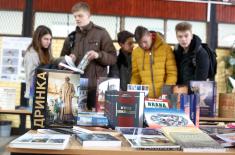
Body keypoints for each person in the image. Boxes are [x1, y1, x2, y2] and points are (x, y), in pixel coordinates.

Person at [60, 2, 117, 110]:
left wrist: (98, 55)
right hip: (76, 89)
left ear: (89, 16)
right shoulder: (71, 38)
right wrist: (68, 60)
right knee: (73, 123)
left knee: (95, 124)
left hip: (95, 90)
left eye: (80, 16)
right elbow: (61, 63)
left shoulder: (101, 33)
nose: (77, 19)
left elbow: (113, 58)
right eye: (75, 16)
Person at [131, 26, 177, 98]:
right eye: (140, 43)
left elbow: (172, 73)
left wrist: (166, 93)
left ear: (150, 35)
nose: (143, 45)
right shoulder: (135, 53)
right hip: (145, 98)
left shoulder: (166, 49)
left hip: (163, 97)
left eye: (145, 42)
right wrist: (133, 92)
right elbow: (136, 76)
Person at [24, 25, 53, 101]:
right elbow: (30, 76)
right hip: (34, 94)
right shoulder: (31, 54)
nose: (49, 42)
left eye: (50, 39)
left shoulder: (44, 52)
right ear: (38, 39)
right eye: (46, 39)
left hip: (42, 93)